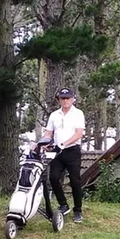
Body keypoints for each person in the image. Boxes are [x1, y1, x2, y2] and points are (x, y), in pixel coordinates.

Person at [42, 87, 86, 223]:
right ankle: (63, 204)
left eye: (68, 98)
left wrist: (65, 143)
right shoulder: (54, 115)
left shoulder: (78, 113)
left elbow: (79, 133)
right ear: (59, 100)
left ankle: (77, 210)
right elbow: (48, 133)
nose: (65, 100)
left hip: (72, 150)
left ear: (73, 99)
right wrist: (43, 143)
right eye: (63, 98)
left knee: (75, 181)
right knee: (53, 178)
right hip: (57, 152)